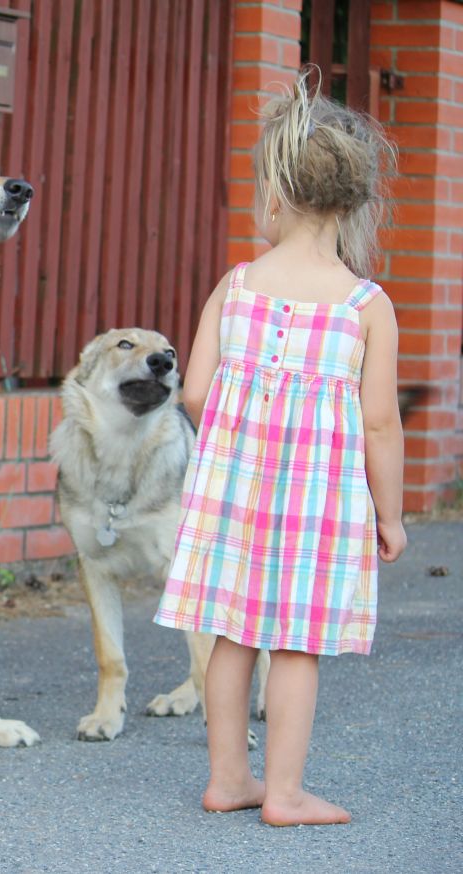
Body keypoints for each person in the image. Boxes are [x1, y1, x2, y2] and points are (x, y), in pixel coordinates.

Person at [153, 70, 406, 826]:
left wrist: (240, 442)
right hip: (319, 504)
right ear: (354, 200)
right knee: (295, 645)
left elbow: (193, 392)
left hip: (234, 490)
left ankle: (229, 777)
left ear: (276, 190)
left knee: (232, 629)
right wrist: (388, 516)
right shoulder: (367, 306)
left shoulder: (237, 285)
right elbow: (380, 424)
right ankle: (286, 792)